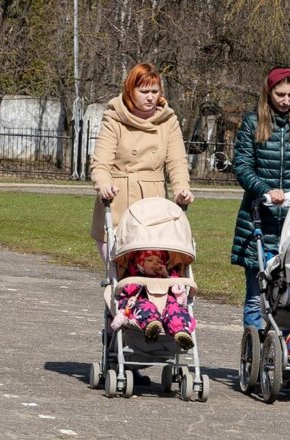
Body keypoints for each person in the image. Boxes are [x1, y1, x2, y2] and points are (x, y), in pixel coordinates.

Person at [230, 66, 290, 330]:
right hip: (260, 219)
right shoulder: (252, 123)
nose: (285, 101)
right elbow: (243, 166)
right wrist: (264, 190)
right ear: (268, 92)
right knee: (256, 294)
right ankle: (256, 355)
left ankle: (287, 355)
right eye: (280, 94)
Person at [90, 62, 194, 262]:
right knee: (120, 277)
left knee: (154, 273)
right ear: (130, 91)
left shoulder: (168, 121)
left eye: (155, 91)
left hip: (153, 205)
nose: (150, 97)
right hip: (118, 202)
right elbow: (101, 163)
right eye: (144, 91)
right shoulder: (114, 118)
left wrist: (182, 190)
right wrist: (104, 185)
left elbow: (177, 163)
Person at [111, 250, 196, 350]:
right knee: (145, 307)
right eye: (150, 260)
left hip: (166, 306)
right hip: (142, 301)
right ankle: (152, 325)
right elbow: (127, 291)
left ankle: (181, 332)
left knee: (176, 310)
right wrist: (141, 279)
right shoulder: (134, 277)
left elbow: (178, 289)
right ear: (140, 265)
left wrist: (166, 275)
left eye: (159, 262)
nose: (155, 263)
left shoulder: (167, 277)